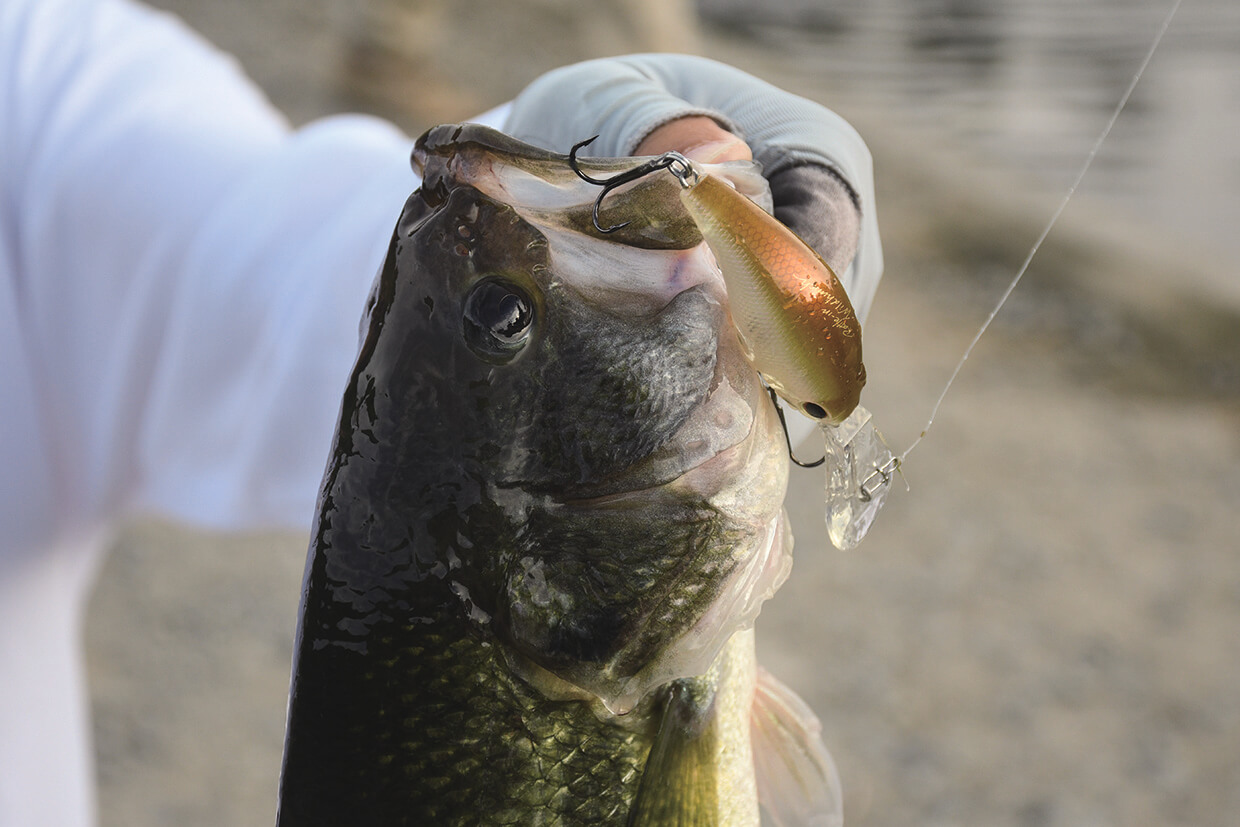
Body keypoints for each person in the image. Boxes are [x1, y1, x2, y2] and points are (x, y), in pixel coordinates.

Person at [0, 0, 882, 823]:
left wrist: (594, 135)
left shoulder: (35, 83)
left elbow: (308, 302)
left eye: (505, 321)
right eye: (504, 321)